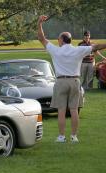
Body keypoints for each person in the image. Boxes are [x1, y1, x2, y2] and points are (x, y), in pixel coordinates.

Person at [37, 15, 106, 143]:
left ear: (62, 40)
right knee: (74, 110)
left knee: (61, 111)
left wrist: (39, 23)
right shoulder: (78, 50)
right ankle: (74, 137)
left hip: (61, 82)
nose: (57, 40)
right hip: (75, 81)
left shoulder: (56, 51)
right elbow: (96, 47)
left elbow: (41, 38)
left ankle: (61, 137)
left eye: (58, 38)